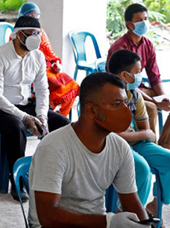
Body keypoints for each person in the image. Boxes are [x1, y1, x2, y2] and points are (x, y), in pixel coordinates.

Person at [29, 72, 150, 228]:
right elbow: (48, 217)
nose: (125, 111)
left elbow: (131, 202)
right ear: (91, 110)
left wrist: (145, 224)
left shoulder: (120, 147)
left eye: (124, 103)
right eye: (116, 104)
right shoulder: (53, 148)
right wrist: (108, 222)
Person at [0, 16, 70, 201]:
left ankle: (60, 175)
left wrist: (42, 117)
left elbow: (42, 89)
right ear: (17, 34)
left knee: (63, 123)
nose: (35, 38)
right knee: (16, 128)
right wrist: (25, 118)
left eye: (37, 34)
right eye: (30, 34)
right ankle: (18, 182)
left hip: (26, 105)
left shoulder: (38, 56)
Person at [108, 49, 170, 220]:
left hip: (136, 143)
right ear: (124, 75)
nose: (140, 76)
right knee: (142, 169)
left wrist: (140, 135)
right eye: (137, 72)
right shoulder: (108, 96)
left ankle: (155, 206)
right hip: (114, 145)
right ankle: (132, 215)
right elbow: (114, 136)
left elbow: (148, 132)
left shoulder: (135, 94)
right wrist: (141, 134)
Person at [107, 3, 170, 149]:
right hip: (124, 91)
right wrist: (155, 102)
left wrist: (164, 98)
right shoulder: (120, 47)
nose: (145, 23)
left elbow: (154, 76)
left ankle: (163, 148)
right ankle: (151, 146)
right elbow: (121, 83)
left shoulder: (148, 45)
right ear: (129, 24)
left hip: (140, 88)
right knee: (151, 107)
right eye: (140, 20)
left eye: (146, 18)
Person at [17, 2, 79, 117]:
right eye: (31, 16)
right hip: (29, 71)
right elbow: (17, 59)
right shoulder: (17, 35)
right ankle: (48, 114)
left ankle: (61, 116)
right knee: (54, 86)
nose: (34, 19)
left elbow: (50, 53)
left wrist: (56, 65)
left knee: (73, 85)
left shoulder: (41, 33)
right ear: (22, 17)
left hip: (48, 68)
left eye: (36, 16)